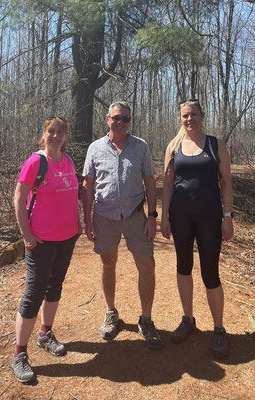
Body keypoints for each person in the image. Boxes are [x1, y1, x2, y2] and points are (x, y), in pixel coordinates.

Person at [82, 101, 163, 350]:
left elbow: (150, 181)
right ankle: (111, 312)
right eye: (116, 118)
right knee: (108, 263)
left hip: (135, 215)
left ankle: (146, 319)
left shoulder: (140, 147)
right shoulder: (95, 148)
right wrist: (87, 219)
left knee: (147, 264)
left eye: (125, 119)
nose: (121, 123)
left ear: (130, 122)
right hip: (104, 217)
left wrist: (152, 215)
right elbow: (87, 185)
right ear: (108, 119)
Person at [161, 99, 234, 358]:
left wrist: (227, 216)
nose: (189, 119)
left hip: (210, 218)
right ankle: (188, 320)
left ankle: (219, 329)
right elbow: (168, 184)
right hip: (181, 217)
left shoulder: (216, 145)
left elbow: (226, 183)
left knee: (210, 273)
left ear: (202, 116)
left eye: (193, 114)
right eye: (184, 115)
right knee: (183, 267)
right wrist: (164, 217)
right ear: (180, 118)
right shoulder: (173, 146)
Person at [12, 117, 80, 383]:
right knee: (33, 292)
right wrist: (26, 234)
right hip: (40, 240)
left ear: (65, 136)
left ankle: (45, 333)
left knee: (55, 286)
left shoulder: (69, 160)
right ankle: (19, 353)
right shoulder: (36, 162)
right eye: (51, 131)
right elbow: (19, 198)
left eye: (61, 132)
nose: (56, 136)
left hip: (67, 237)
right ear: (43, 134)